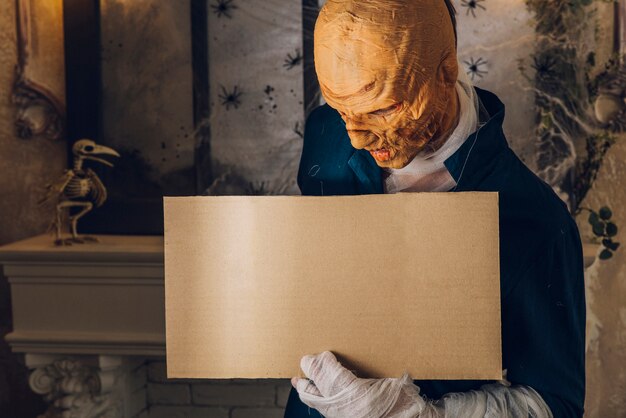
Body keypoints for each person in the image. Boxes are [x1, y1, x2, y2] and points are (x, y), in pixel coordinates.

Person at [283, 1, 586, 417]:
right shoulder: (325, 132)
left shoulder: (539, 224)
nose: (355, 138)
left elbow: (556, 404)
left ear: (447, 71)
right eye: (341, 110)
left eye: (383, 108)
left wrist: (415, 413)